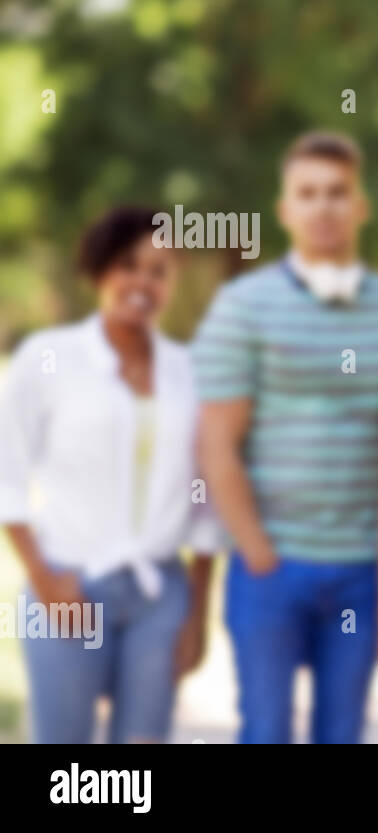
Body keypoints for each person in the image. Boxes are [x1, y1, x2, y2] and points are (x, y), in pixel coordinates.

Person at [192, 132, 378, 744]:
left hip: (361, 570)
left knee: (341, 733)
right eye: (309, 194)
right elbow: (216, 445)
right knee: (265, 732)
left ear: (361, 205)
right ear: (285, 209)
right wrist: (259, 552)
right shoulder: (242, 307)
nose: (324, 207)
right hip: (272, 568)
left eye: (338, 193)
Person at [0, 206, 219, 743]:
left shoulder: (189, 372)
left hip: (159, 595)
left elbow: (206, 498)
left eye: (159, 270)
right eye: (129, 264)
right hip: (70, 582)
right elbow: (6, 467)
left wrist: (195, 611)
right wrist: (45, 578)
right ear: (100, 269)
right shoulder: (49, 358)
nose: (143, 282)